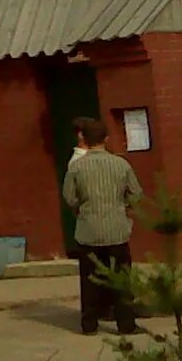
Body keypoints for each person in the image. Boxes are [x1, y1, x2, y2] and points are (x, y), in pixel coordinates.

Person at [61, 117, 145, 337]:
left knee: (89, 278)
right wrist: (124, 206)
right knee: (121, 277)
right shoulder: (121, 164)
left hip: (89, 230)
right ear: (106, 139)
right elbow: (136, 193)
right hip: (117, 228)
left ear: (84, 140)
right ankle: (125, 324)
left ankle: (89, 324)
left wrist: (82, 207)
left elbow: (69, 197)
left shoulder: (77, 167)